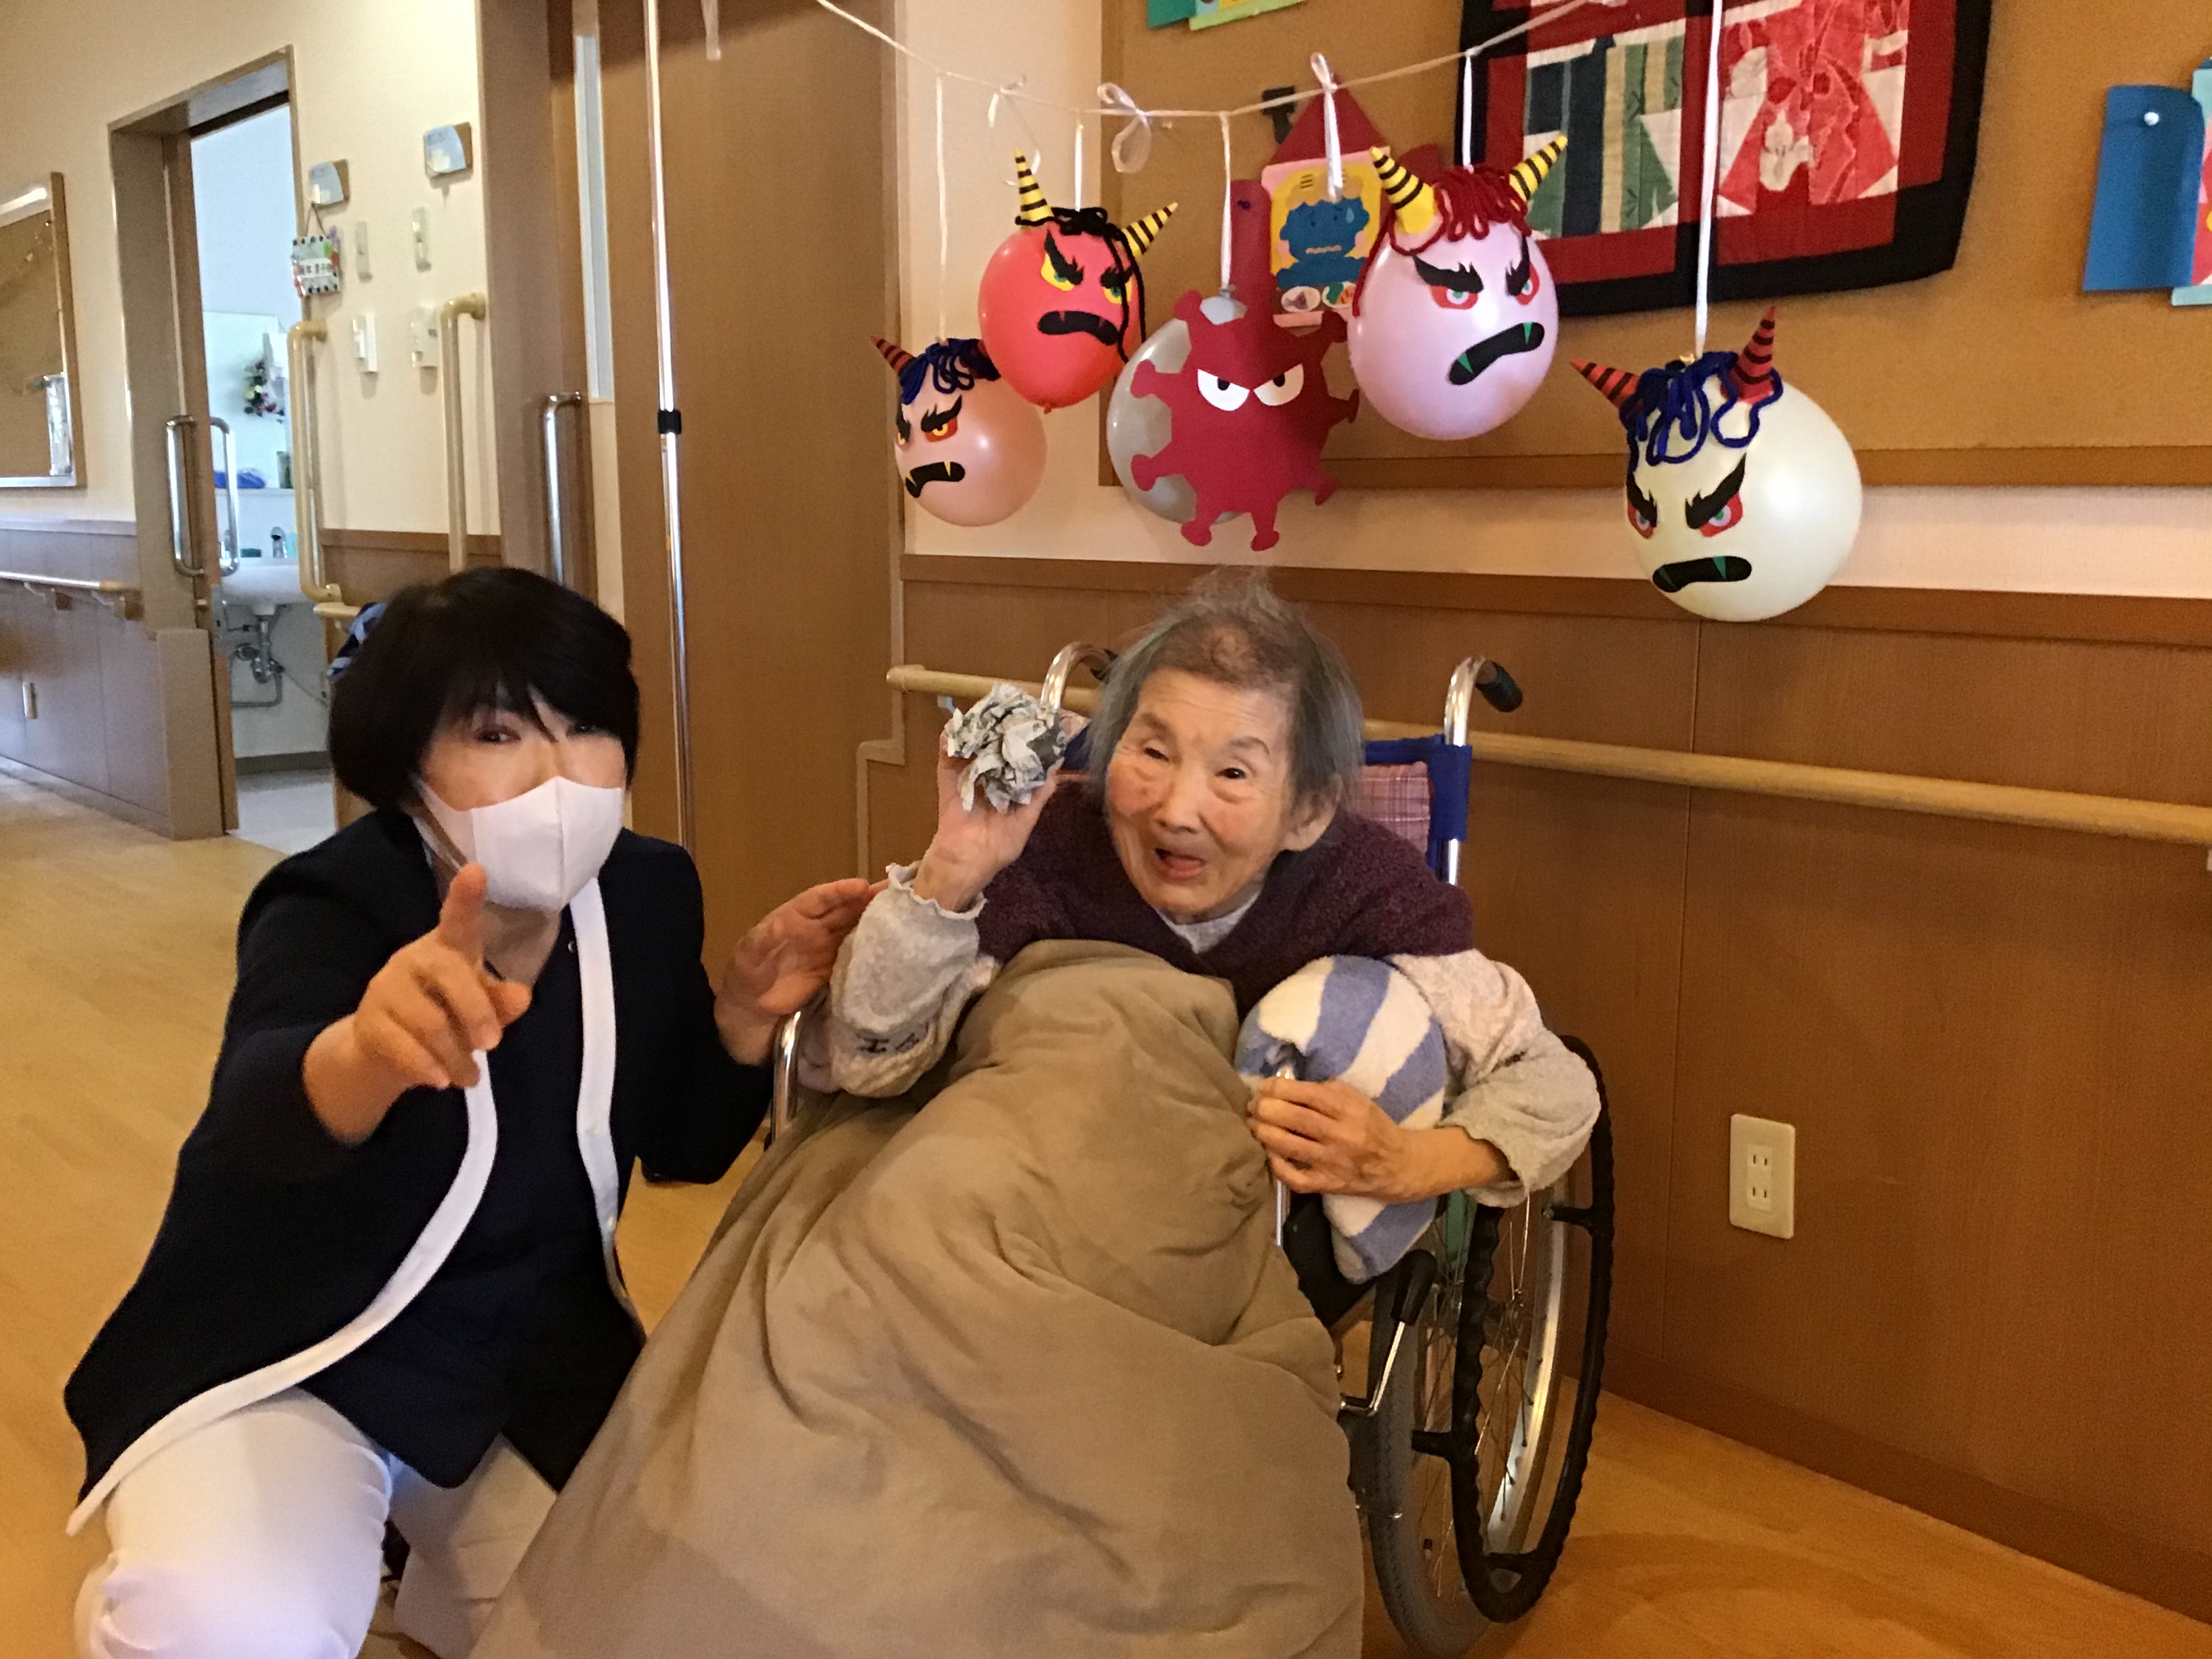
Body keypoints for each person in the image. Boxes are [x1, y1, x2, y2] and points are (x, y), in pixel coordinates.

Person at [65, 569, 872, 1659]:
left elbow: (680, 1143)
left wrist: (735, 1014)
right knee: (225, 1626)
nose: (559, 773)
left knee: (677, 1622)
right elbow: (261, 1108)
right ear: (407, 770)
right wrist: (365, 1053)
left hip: (522, 1363)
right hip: (296, 1350)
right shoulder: (335, 898)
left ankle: (423, 1584)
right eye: (497, 733)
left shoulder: (644, 891)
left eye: (587, 727)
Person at [827, 577, 1599, 1227]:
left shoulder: (1365, 888)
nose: (1175, 811)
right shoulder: (1046, 847)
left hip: (1221, 1236)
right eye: (1152, 751)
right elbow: (869, 1061)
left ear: (1309, 811)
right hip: (1030, 1194)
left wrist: (1406, 1163)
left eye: (1233, 774)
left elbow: (1554, 1085)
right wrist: (952, 871)